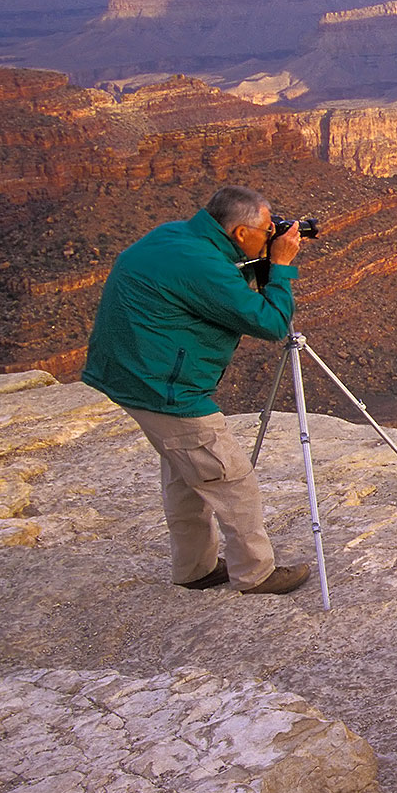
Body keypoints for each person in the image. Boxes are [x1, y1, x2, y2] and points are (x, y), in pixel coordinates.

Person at [82, 185, 312, 596]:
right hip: (165, 389)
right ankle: (255, 573)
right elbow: (272, 323)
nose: (270, 235)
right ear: (240, 234)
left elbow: (222, 283)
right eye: (265, 229)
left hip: (129, 376)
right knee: (231, 478)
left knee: (186, 477)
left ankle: (195, 568)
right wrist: (280, 266)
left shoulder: (176, 236)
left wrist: (262, 257)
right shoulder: (201, 264)